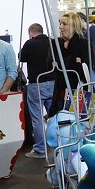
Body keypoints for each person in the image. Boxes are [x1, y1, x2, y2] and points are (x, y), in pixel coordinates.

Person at [18, 22, 54, 160]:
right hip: (53, 83)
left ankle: (40, 148)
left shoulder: (30, 43)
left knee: (37, 118)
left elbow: (21, 57)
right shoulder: (52, 43)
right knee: (54, 116)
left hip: (37, 84)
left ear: (31, 32)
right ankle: (59, 143)